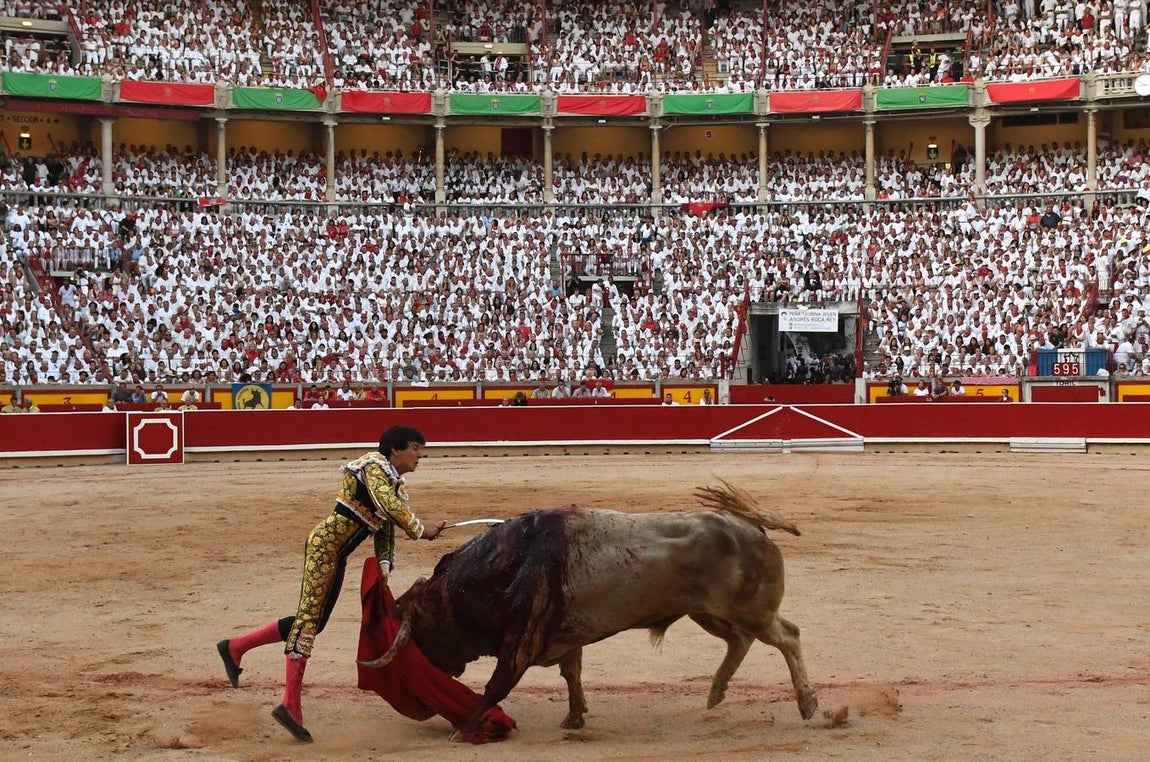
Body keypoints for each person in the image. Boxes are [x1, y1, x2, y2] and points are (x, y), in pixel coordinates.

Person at [217, 426, 446, 743]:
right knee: (309, 622)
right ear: (396, 449)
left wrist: (384, 563)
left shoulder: (391, 480)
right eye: (416, 448)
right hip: (324, 549)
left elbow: (385, 526)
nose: (420, 455)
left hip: (336, 555)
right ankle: (290, 705)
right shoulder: (373, 467)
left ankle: (234, 648)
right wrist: (422, 529)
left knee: (314, 622)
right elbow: (390, 508)